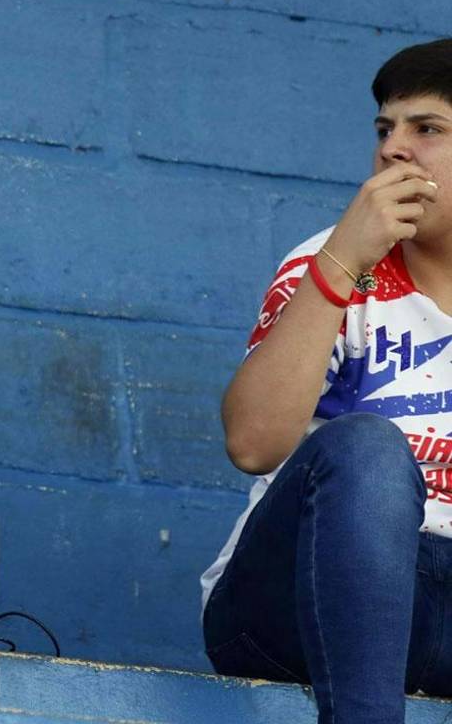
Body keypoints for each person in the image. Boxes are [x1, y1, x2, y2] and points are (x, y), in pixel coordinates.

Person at [202, 38, 452, 723]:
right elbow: (253, 444)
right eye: (384, 130)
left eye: (427, 129)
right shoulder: (328, 258)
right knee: (364, 447)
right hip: (299, 599)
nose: (394, 150)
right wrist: (342, 262)